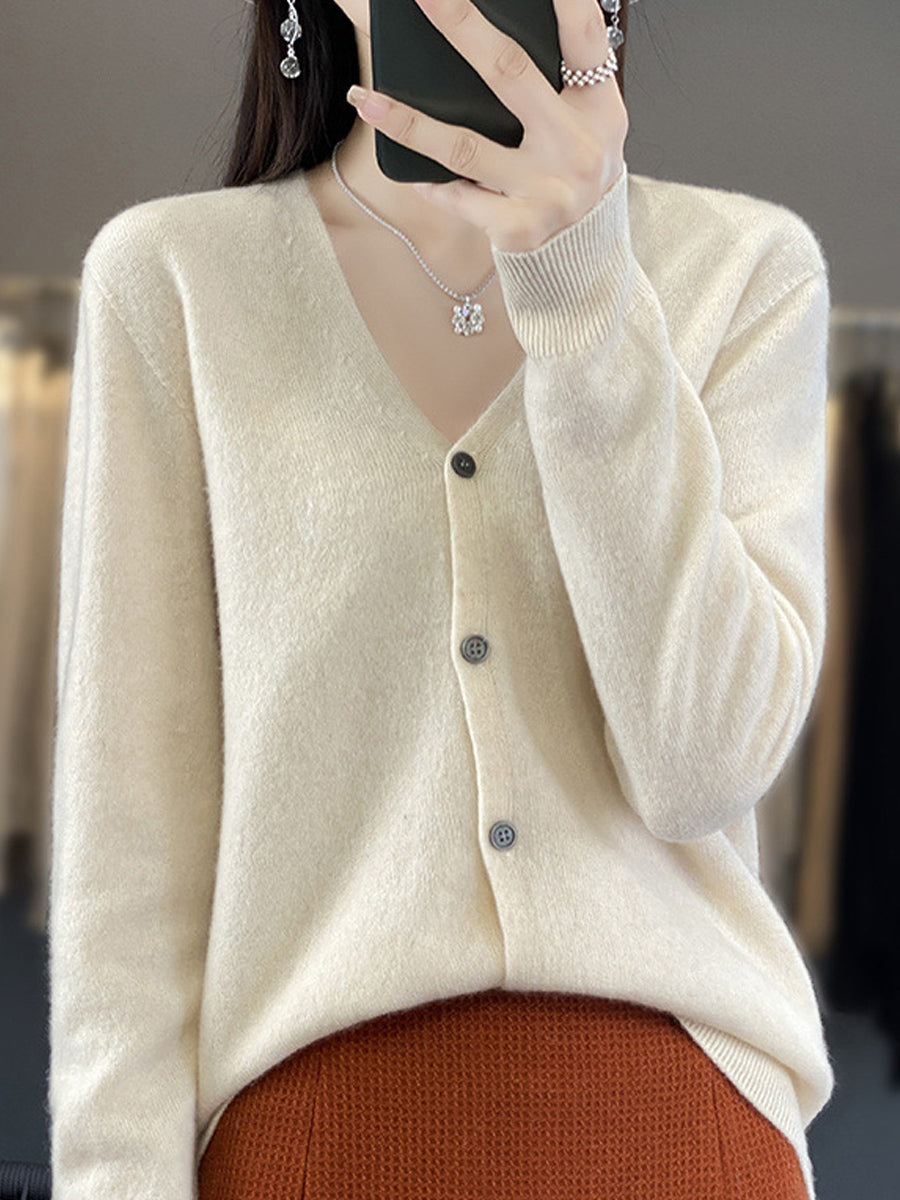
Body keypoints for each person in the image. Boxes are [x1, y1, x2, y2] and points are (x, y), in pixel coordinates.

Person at [48, 0, 835, 1197]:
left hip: (685, 1140)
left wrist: (584, 290)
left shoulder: (745, 270)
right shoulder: (173, 281)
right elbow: (129, 847)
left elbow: (703, 766)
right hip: (310, 1148)